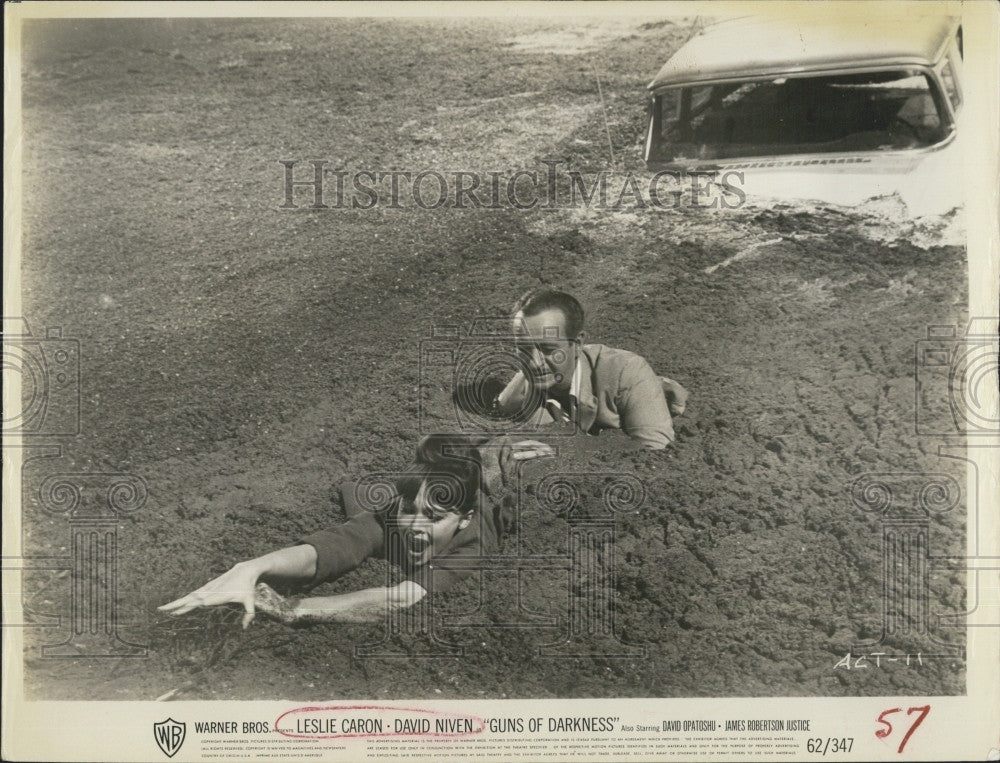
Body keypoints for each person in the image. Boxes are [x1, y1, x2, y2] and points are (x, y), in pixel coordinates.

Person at [158, 434, 551, 627]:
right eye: (410, 509)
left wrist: (295, 607)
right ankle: (482, 454)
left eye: (434, 518)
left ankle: (497, 455)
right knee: (359, 499)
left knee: (511, 470)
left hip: (498, 503)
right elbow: (334, 546)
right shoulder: (393, 511)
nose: (415, 526)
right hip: (444, 488)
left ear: (460, 520)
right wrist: (252, 568)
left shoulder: (473, 541)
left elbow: (398, 600)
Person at [493, 288, 687, 450]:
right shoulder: (521, 392)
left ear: (577, 344)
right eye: (524, 349)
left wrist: (566, 451)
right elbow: (504, 406)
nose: (534, 362)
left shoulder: (627, 373)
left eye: (548, 349)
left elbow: (655, 453)